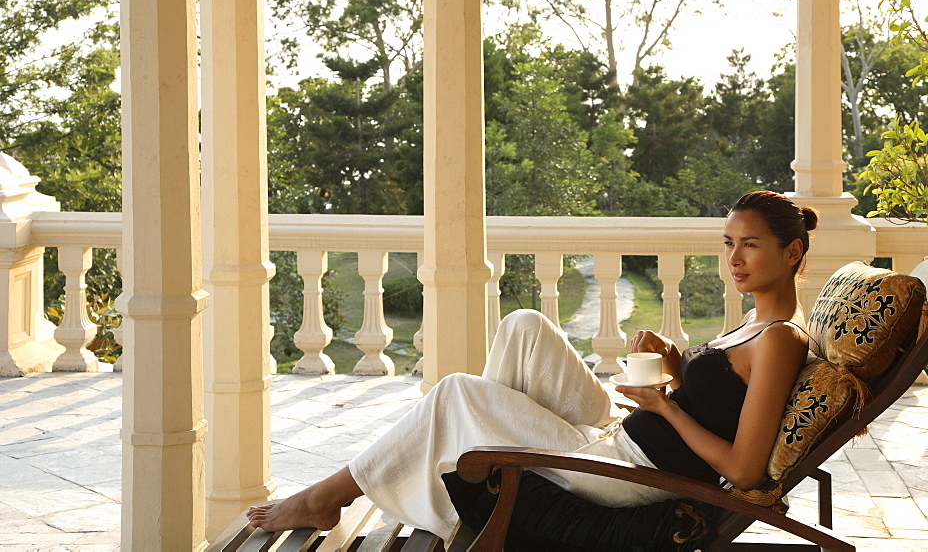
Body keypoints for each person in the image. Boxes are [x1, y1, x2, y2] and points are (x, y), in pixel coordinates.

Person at [247, 190, 818, 540]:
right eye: (728, 242)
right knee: (525, 326)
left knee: (455, 396)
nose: (733, 258)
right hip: (615, 438)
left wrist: (665, 407)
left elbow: (743, 472)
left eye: (750, 245)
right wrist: (673, 360)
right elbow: (720, 397)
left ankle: (330, 497)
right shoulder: (752, 324)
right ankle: (484, 475)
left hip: (632, 476)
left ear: (791, 252)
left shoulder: (781, 340)